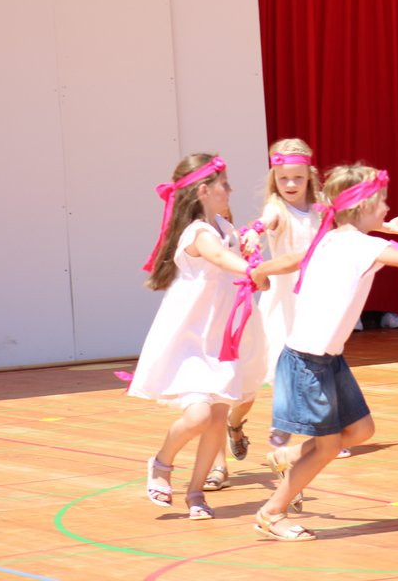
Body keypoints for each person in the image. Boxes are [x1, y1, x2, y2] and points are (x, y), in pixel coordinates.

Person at [253, 164, 398, 541]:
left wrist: (262, 269)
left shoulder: (334, 238)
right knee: (328, 447)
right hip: (307, 363)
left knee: (361, 430)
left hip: (328, 358)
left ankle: (287, 458)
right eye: (381, 201)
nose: (387, 207)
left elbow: (290, 261)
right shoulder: (359, 244)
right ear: (362, 206)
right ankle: (271, 511)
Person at [130, 154, 269, 521]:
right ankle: (161, 462)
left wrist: (251, 253)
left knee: (217, 416)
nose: (231, 189)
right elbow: (221, 258)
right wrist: (252, 268)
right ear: (205, 190)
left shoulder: (224, 225)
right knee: (198, 416)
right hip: (194, 340)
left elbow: (232, 253)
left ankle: (196, 493)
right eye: (224, 183)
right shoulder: (197, 232)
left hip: (225, 339)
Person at [203, 139, 325, 493]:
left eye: (297, 179)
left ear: (308, 177)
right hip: (281, 305)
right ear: (275, 177)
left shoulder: (320, 208)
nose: (290, 185)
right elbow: (264, 221)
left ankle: (314, 436)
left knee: (310, 374)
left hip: (313, 303)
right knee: (251, 386)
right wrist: (255, 233)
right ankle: (235, 424)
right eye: (284, 178)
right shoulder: (276, 208)